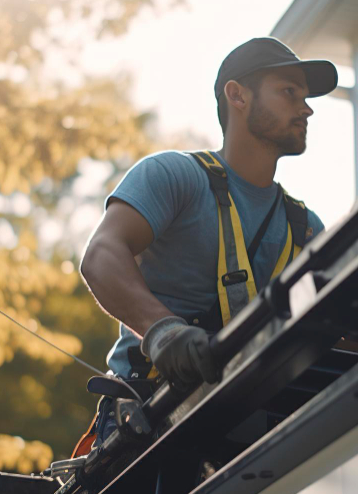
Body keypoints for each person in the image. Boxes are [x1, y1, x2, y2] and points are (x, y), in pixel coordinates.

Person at [79, 37, 337, 446]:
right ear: (237, 95)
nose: (306, 108)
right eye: (290, 92)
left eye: (306, 97)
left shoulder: (305, 228)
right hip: (148, 425)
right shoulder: (174, 176)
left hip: (253, 424)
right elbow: (101, 254)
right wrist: (162, 331)